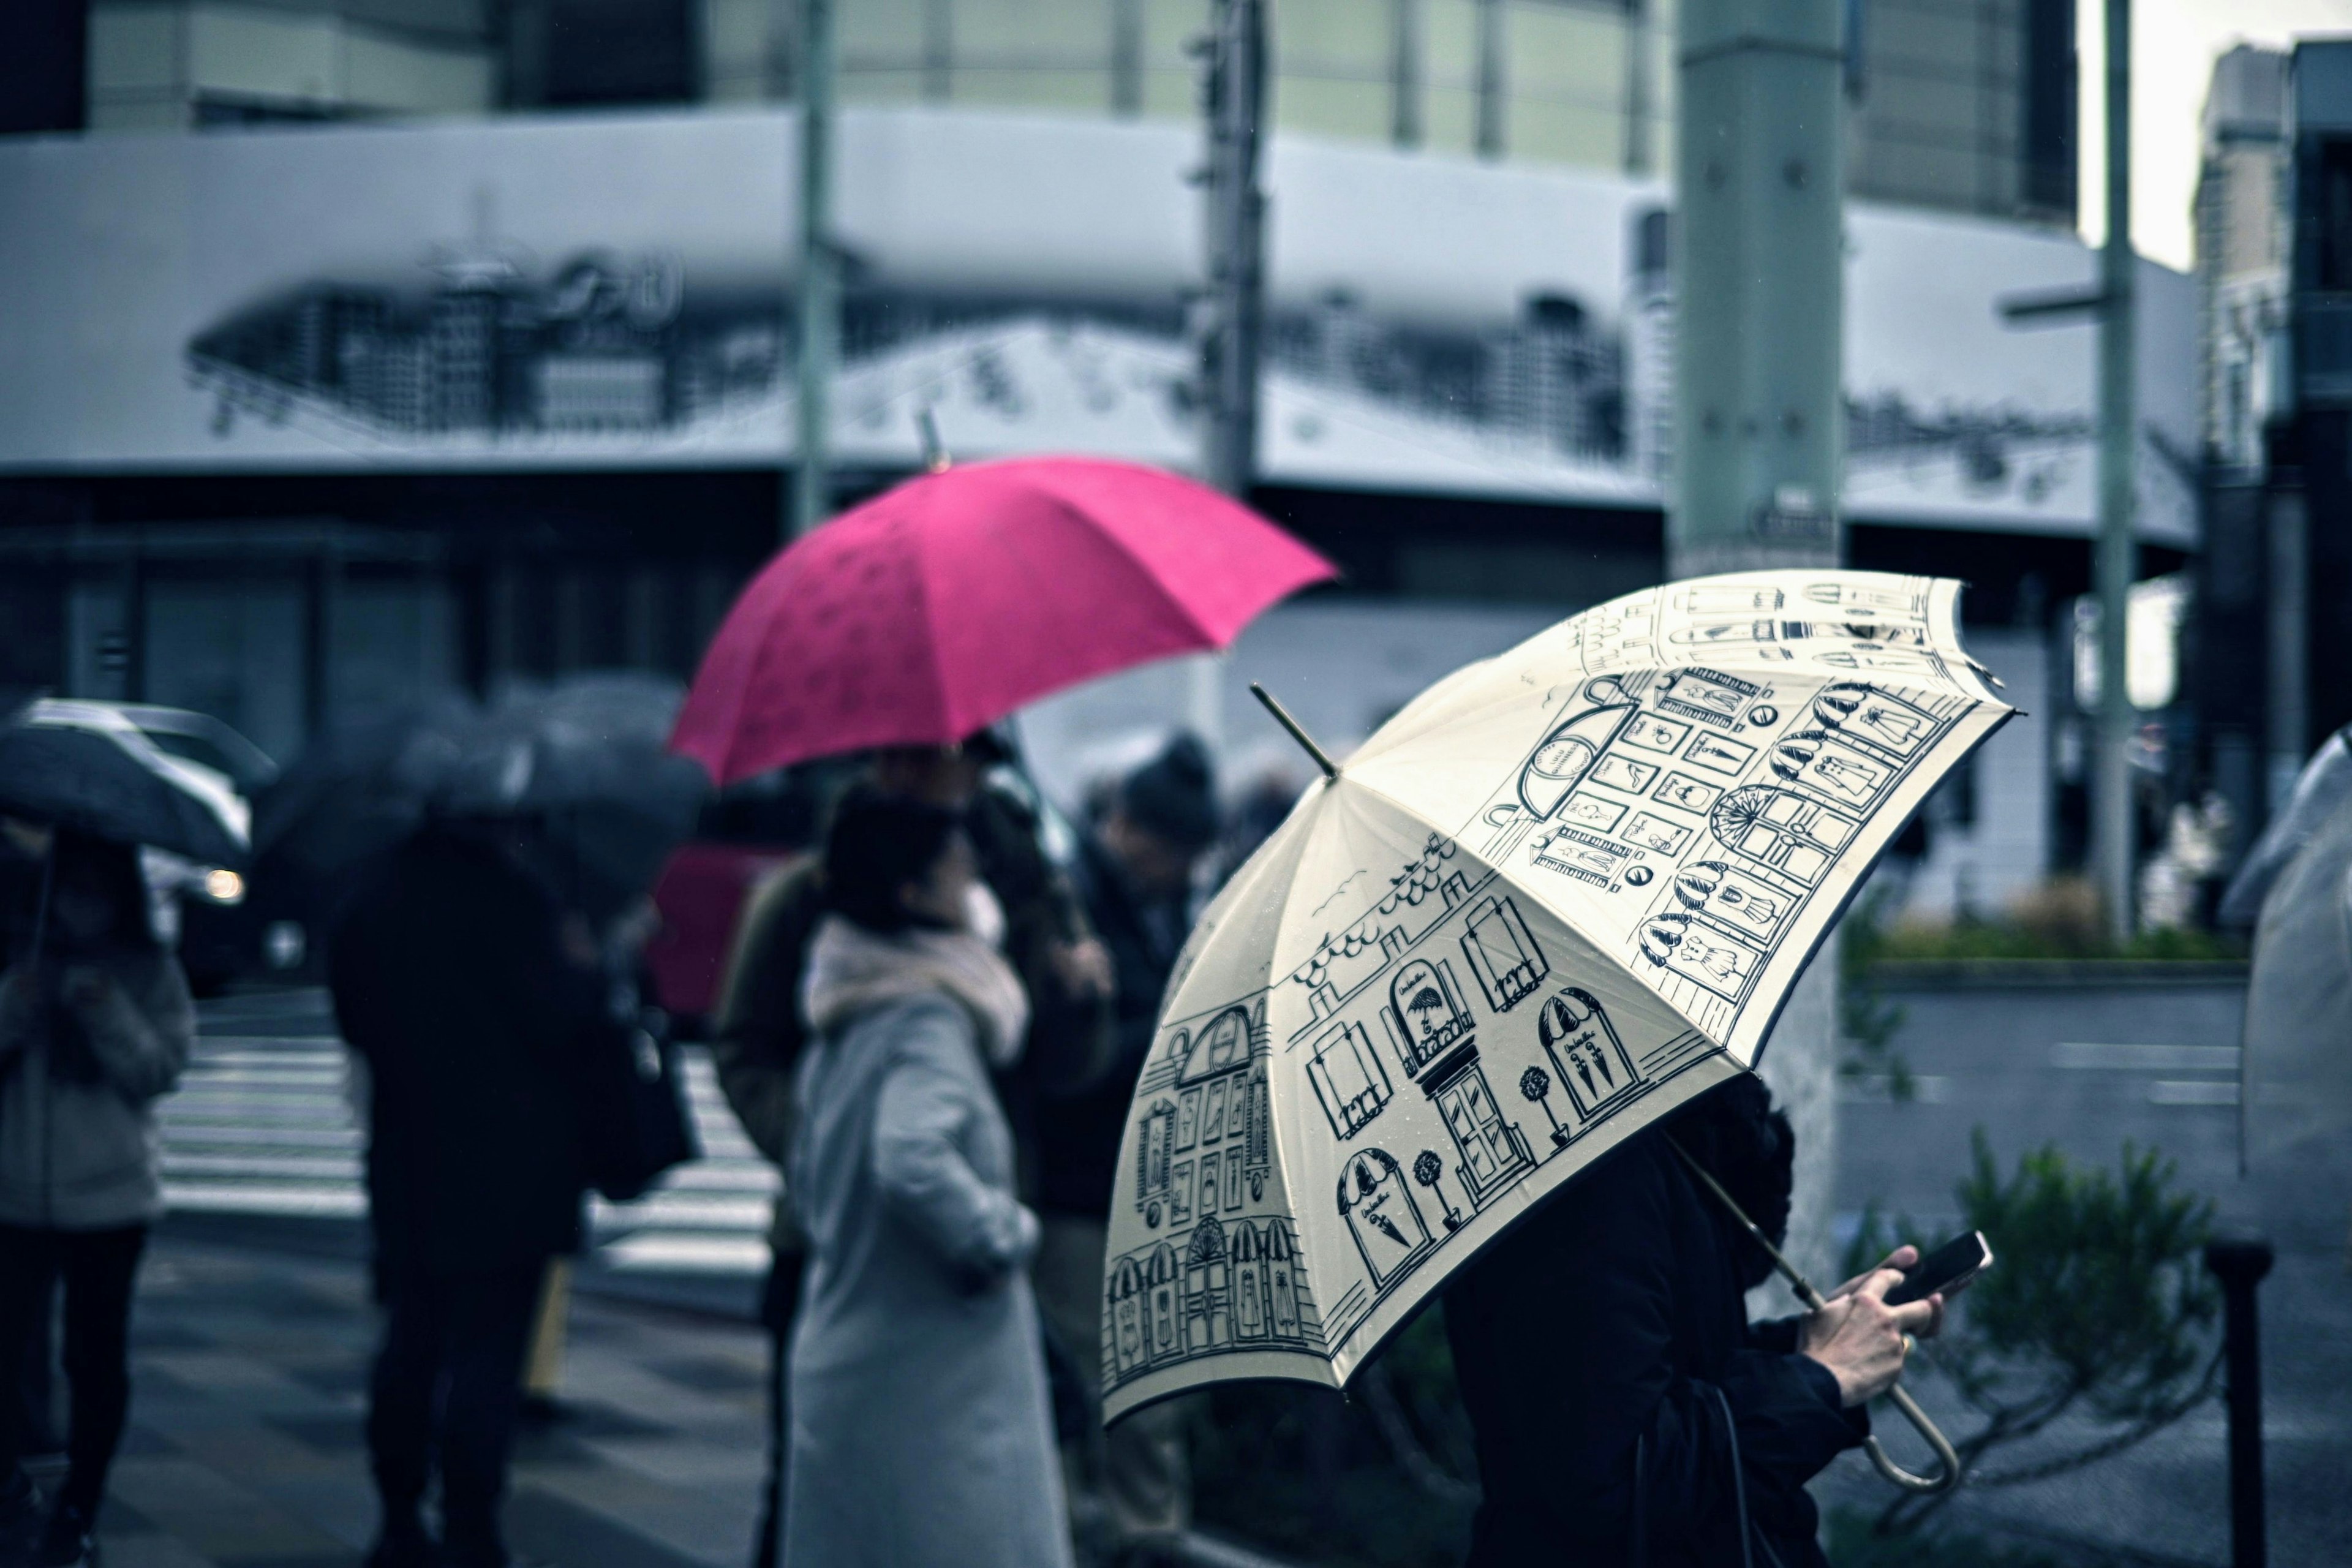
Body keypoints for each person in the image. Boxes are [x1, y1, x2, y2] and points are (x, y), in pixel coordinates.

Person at [710, 737, 1109, 1568]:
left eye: (953, 756)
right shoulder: (816, 892)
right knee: (841, 1491)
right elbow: (749, 1048)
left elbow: (1057, 1067)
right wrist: (824, 1156)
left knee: (923, 1503)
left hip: (959, 1252)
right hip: (855, 1239)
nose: (922, 769)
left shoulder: (1014, 886)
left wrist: (1078, 1002)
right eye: (906, 754)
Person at [1443, 1076, 1947, 1568]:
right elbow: (1622, 1479)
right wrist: (1820, 1379)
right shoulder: (1588, 1178)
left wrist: (1813, 1347)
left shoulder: (1649, 1137)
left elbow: (1662, 1372)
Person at [782, 791, 1072, 1568]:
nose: (973, 868)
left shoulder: (844, 1014)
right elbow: (911, 1158)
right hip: (937, 1385)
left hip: (852, 1353)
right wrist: (1005, 1233)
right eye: (953, 862)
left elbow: (810, 1179)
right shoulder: (926, 1018)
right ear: (911, 895)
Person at [328, 816, 611, 1568]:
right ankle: (470, 1524)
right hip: (513, 1167)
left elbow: (353, 1015)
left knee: (410, 1338)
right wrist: (593, 963)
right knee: (489, 1352)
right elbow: (564, 1018)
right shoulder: (522, 899)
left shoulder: (377, 892)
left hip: (408, 1154)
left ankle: (396, 1515)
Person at [1033, 734, 1218, 1553]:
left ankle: (1150, 1536)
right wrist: (1175, 1033)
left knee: (1152, 1384)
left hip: (1145, 1185)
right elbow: (1064, 1061)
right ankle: (1076, 1534)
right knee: (1084, 1377)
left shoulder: (1153, 909)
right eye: (1184, 854)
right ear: (1140, 835)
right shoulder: (1070, 905)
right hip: (1078, 1186)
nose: (1188, 874)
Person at [0, 828, 194, 1568]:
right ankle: (13, 1489)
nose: (80, 906)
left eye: (95, 890)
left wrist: (107, 1010)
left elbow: (159, 1069)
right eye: (70, 888)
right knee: (8, 1350)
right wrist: (15, 1004)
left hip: (110, 1200)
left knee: (94, 1358)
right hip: (15, 1192)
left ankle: (79, 1505)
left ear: (118, 897)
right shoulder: (21, 955)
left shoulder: (150, 969)